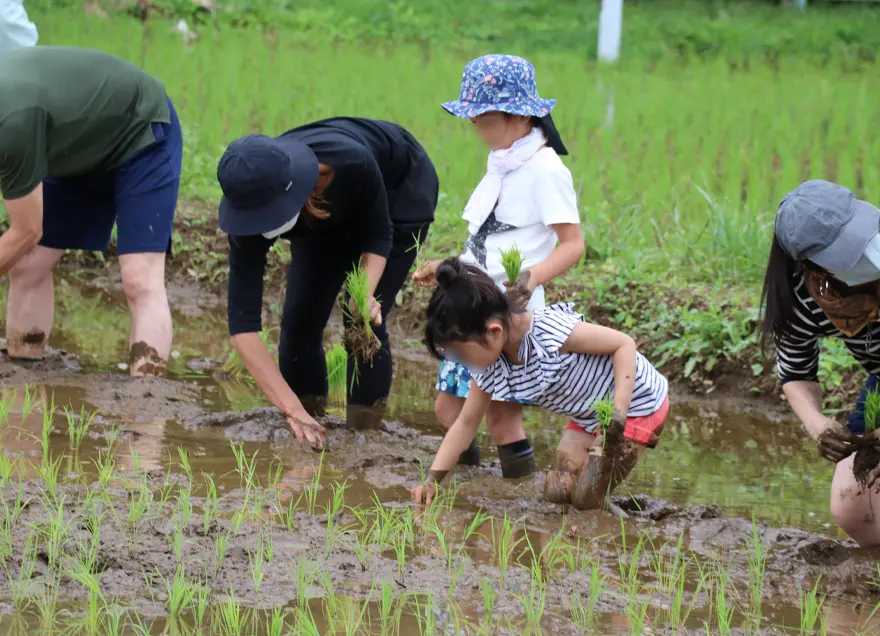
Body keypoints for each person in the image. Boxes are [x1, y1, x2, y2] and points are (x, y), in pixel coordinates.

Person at [217, 118, 438, 450]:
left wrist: (363, 294)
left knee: (360, 320)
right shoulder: (253, 198)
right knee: (299, 321)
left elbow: (379, 233)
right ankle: (309, 422)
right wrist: (292, 411)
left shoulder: (349, 162)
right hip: (314, 208)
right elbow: (243, 329)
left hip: (398, 193)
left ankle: (364, 437)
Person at [412, 54, 584, 478]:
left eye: (484, 120)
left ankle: (517, 495)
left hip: (506, 314)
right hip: (470, 305)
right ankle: (468, 489)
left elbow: (573, 245)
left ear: (520, 116)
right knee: (449, 409)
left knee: (502, 418)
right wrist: (449, 267)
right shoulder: (505, 159)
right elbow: (490, 237)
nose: (478, 130)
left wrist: (530, 279)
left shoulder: (545, 170)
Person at [410, 259, 670, 510]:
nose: (462, 362)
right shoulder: (490, 366)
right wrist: (432, 481)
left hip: (636, 405)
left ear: (494, 331)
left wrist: (618, 413)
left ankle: (626, 525)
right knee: (556, 492)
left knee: (586, 499)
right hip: (588, 415)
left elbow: (623, 343)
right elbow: (465, 424)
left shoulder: (548, 332)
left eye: (462, 354)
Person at [0, 46, 183, 376]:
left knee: (139, 277)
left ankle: (146, 403)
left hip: (138, 130)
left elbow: (27, 231)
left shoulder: (11, 126)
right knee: (28, 267)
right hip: (72, 142)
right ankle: (22, 376)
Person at [760, 179, 880, 547]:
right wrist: (818, 424)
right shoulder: (802, 298)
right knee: (854, 505)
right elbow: (796, 371)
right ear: (814, 269)